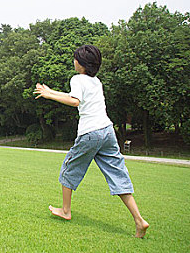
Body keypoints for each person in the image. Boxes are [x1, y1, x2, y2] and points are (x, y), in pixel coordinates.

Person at [33, 44, 149, 238]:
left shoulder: (77, 79)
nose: (74, 61)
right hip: (107, 131)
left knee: (69, 167)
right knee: (117, 174)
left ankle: (66, 211)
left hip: (90, 133)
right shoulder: (96, 81)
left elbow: (75, 101)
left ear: (82, 63)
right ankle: (139, 220)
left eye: (75, 59)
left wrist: (50, 95)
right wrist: (50, 92)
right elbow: (73, 96)